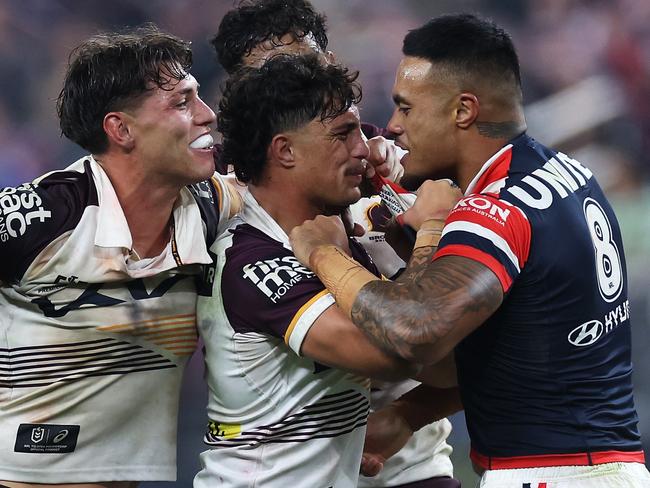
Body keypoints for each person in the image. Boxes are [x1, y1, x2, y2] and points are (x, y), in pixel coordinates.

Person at [289, 13, 650, 488]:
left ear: (463, 111)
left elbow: (414, 334)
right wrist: (411, 413)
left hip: (549, 472)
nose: (393, 126)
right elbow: (499, 353)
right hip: (604, 465)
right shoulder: (567, 173)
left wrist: (324, 253)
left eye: (407, 108)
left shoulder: (494, 208)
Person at [210, 3, 460, 487]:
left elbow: (488, 340)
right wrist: (427, 234)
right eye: (277, 77)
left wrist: (411, 413)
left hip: (410, 464)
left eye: (307, 68)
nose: (363, 144)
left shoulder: (390, 189)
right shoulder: (236, 230)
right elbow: (410, 343)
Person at [0, 25, 239, 487]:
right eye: (181, 102)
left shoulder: (212, 205)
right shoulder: (43, 217)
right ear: (121, 129)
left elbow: (308, 184)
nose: (207, 115)